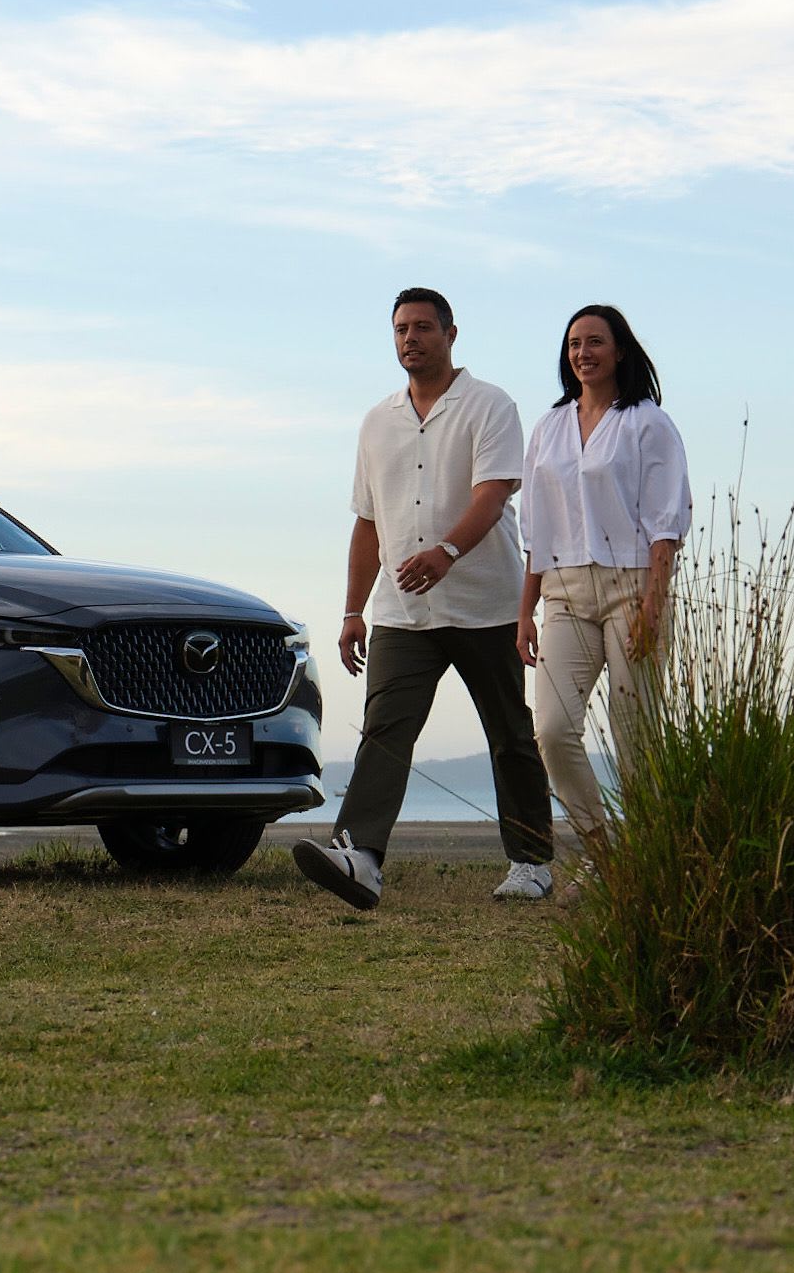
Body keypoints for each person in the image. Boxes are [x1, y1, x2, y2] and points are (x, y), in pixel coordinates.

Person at [291, 288, 554, 911]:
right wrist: (352, 611)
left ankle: (531, 863)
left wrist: (447, 553)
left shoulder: (490, 405)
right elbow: (367, 522)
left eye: (423, 328)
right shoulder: (377, 420)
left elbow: (493, 494)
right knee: (384, 731)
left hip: (485, 605)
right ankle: (360, 857)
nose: (411, 339)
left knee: (510, 734)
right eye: (401, 329)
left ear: (450, 334)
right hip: (401, 614)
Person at [517, 302, 690, 880]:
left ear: (619, 351)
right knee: (552, 730)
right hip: (564, 592)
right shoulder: (549, 427)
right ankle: (607, 855)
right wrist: (525, 612)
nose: (583, 353)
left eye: (594, 342)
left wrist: (653, 605)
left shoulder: (647, 422)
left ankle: (652, 857)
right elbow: (536, 530)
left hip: (632, 587)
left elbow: (666, 525)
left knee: (634, 734)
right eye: (574, 344)